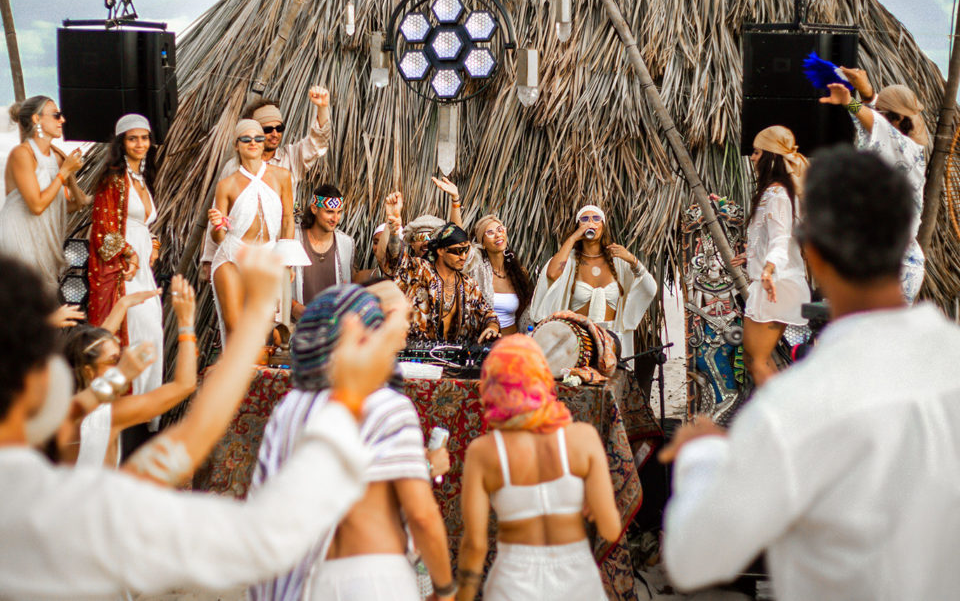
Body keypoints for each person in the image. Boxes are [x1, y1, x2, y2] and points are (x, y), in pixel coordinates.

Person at [0, 247, 414, 600]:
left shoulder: (57, 490)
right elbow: (261, 538)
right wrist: (347, 399)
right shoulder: (71, 511)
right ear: (43, 382)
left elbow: (178, 438)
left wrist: (249, 323)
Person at [660, 147, 960, 601]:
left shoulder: (794, 406)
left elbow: (692, 559)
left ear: (813, 255)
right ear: (906, 243)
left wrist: (702, 457)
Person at [250, 283, 454, 601]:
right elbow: (422, 515)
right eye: (402, 315)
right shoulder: (385, 404)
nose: (407, 325)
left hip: (309, 579)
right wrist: (445, 589)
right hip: (375, 578)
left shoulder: (290, 407)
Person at [456, 335, 621, 601]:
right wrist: (591, 503)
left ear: (491, 384)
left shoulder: (484, 452)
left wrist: (463, 594)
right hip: (577, 582)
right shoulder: (582, 438)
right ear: (542, 378)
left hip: (512, 582)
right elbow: (611, 529)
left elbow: (474, 545)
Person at [61, 275, 198, 468]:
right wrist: (186, 322)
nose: (122, 363)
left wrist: (123, 304)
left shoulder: (55, 404)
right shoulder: (110, 415)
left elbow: (94, 348)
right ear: (88, 372)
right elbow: (184, 385)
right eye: (114, 361)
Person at [200, 85, 332, 281]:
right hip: (236, 255)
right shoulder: (233, 168)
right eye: (267, 129)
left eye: (279, 128)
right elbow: (219, 214)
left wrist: (322, 108)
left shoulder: (290, 158)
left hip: (275, 251)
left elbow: (317, 143)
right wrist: (209, 260)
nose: (274, 133)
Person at [820, 70, 927, 302]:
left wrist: (850, 102)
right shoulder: (884, 143)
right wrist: (867, 93)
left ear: (897, 119)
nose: (874, 116)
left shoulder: (907, 148)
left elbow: (875, 122)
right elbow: (872, 122)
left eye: (881, 114)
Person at [87, 115, 166, 420]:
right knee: (136, 329)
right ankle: (124, 410)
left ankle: (146, 413)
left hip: (143, 270)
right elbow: (102, 233)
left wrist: (153, 246)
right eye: (133, 139)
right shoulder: (113, 179)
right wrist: (130, 253)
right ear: (121, 144)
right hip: (122, 272)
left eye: (144, 138)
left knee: (152, 334)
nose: (140, 144)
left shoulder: (142, 178)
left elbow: (144, 226)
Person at [734, 126, 810, 386]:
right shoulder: (777, 192)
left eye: (756, 152)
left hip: (777, 283)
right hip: (777, 281)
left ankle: (783, 421)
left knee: (757, 361)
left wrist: (767, 269)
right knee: (758, 360)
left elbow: (781, 239)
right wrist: (751, 255)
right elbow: (777, 238)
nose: (752, 158)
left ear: (771, 156)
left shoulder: (777, 195)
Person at [531, 204, 656, 361]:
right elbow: (552, 274)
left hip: (614, 339)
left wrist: (633, 260)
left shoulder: (618, 261)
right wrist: (573, 238)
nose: (591, 222)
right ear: (578, 225)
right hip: (579, 340)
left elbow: (650, 289)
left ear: (602, 225)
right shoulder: (570, 261)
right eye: (585, 219)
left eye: (596, 218)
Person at [208, 119, 294, 339]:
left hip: (268, 253)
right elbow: (219, 237)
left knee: (270, 329)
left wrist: (288, 259)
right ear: (237, 145)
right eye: (246, 138)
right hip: (233, 254)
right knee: (236, 329)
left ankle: (266, 373)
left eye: (258, 138)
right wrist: (218, 224)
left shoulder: (282, 176)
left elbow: (287, 219)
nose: (253, 142)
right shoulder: (226, 185)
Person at [383, 192, 499, 345]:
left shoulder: (469, 284)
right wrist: (394, 232)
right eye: (457, 251)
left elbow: (487, 314)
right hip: (417, 361)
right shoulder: (420, 271)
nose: (463, 256)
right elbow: (396, 260)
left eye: (465, 250)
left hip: (455, 362)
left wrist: (492, 327)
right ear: (441, 251)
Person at [0, 95, 90, 292]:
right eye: (56, 115)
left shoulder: (56, 157)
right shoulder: (22, 154)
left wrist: (70, 175)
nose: (62, 120)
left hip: (43, 243)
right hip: (19, 241)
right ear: (36, 119)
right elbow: (37, 205)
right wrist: (64, 172)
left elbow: (78, 203)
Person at [293, 183, 356, 317]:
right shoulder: (294, 238)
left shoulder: (346, 244)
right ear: (314, 209)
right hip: (297, 329)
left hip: (332, 329)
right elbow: (277, 283)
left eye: (339, 212)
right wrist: (294, 307)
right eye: (329, 212)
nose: (335, 219)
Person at [466, 215, 534, 335]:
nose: (498, 235)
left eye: (500, 229)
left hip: (512, 342)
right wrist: (455, 202)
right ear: (482, 243)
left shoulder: (518, 273)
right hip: (483, 343)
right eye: (490, 232)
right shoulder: (477, 272)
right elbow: (458, 243)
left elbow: (523, 312)